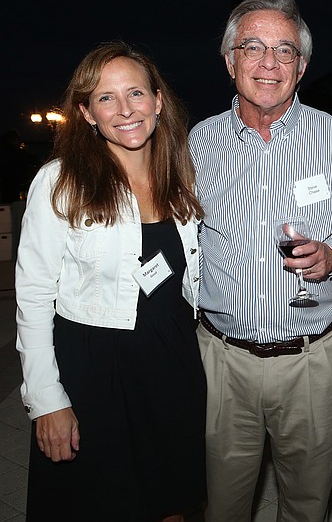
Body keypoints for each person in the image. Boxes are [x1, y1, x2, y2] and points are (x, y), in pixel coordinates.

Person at [188, 0, 332, 522]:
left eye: (285, 51)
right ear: (230, 61)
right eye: (253, 47)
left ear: (302, 67)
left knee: (306, 504)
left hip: (313, 359)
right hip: (222, 362)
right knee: (222, 506)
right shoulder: (197, 144)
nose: (269, 63)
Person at [15, 42, 206, 521]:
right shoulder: (61, 181)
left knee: (172, 504)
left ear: (158, 101)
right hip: (94, 372)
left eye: (136, 93)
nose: (125, 110)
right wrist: (46, 401)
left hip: (172, 366)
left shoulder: (182, 179)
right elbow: (34, 297)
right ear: (85, 112)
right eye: (106, 98)